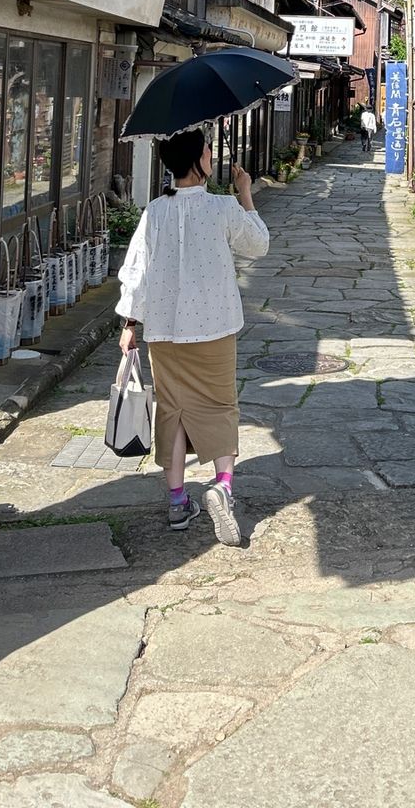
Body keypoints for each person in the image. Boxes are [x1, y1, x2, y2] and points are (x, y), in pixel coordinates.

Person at [116, 129, 269, 546]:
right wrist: (244, 192)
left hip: (163, 331)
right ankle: (222, 487)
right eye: (207, 150)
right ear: (197, 161)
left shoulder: (153, 212)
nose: (211, 154)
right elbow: (258, 245)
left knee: (173, 409)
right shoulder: (222, 208)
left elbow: (136, 271)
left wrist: (131, 324)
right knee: (220, 407)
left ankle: (178, 501)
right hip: (215, 327)